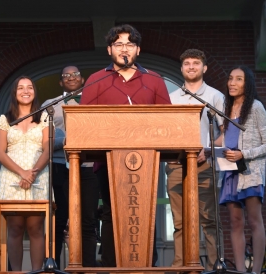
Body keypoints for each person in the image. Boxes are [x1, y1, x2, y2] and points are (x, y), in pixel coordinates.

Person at [80, 24, 171, 267]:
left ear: (138, 50)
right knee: (111, 214)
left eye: (129, 44)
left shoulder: (154, 79)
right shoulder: (96, 80)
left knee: (145, 213)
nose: (124, 49)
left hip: (147, 161)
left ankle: (145, 267)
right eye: (119, 44)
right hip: (107, 160)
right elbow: (84, 123)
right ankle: (111, 267)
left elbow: (168, 122)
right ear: (110, 49)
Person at [165, 49, 224, 270]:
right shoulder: (171, 99)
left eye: (196, 63)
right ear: (181, 69)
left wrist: (208, 149)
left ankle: (214, 266)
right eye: (187, 63)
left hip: (205, 164)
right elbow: (165, 133)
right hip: (177, 166)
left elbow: (226, 132)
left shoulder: (215, 96)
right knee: (180, 221)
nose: (191, 67)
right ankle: (181, 265)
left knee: (209, 220)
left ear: (204, 68)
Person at [216, 65, 266, 274]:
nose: (232, 83)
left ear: (247, 84)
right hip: (230, 172)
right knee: (235, 221)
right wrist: (207, 148)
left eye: (238, 79)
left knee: (254, 220)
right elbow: (226, 138)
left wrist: (243, 154)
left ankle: (256, 271)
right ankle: (240, 271)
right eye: (230, 78)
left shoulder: (256, 107)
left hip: (250, 173)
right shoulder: (227, 108)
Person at [41, 65, 100, 268]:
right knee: (60, 219)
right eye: (66, 75)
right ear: (60, 82)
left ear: (82, 79)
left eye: (75, 74)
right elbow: (43, 141)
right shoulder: (50, 105)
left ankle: (88, 268)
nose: (71, 77)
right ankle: (53, 266)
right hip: (60, 167)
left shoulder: (93, 103)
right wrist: (67, 141)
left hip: (88, 167)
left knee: (88, 220)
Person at [0, 76, 49, 271]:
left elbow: (48, 148)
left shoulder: (44, 117)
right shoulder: (5, 119)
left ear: (34, 91)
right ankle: (15, 271)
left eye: (29, 87)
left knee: (35, 228)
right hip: (12, 178)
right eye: (20, 88)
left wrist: (32, 173)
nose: (25, 91)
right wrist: (22, 173)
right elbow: (0, 152)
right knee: (15, 228)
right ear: (14, 93)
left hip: (38, 177)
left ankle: (36, 271)